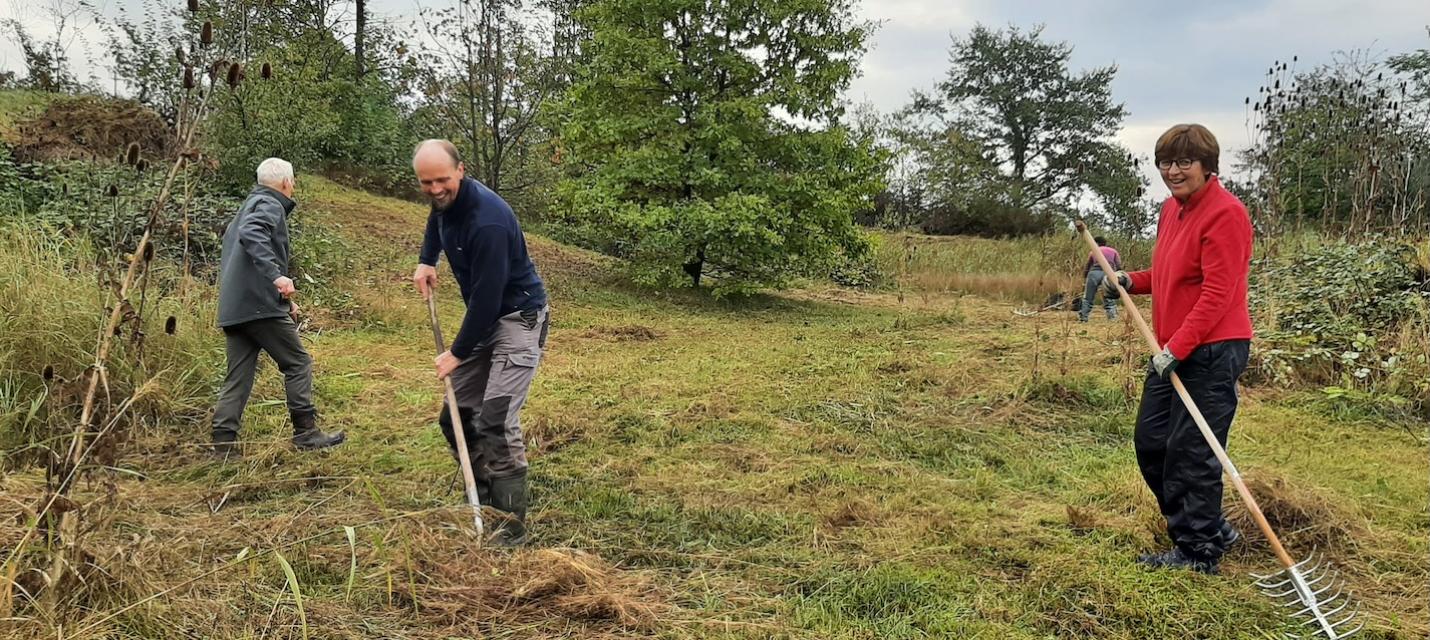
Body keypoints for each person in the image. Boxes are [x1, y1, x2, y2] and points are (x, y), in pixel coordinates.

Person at [1103, 124, 1254, 574]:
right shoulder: (1172, 210)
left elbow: (1218, 292)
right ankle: (1208, 525)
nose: (1173, 170)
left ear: (1208, 166)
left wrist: (1180, 347)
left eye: (1184, 162)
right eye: (1166, 162)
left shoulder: (1226, 214)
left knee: (1191, 453)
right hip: (1172, 349)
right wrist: (1133, 280)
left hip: (1212, 350)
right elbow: (1172, 272)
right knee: (1152, 444)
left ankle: (1198, 551)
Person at [411, 139, 549, 547]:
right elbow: (436, 219)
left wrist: (456, 354)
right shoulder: (445, 204)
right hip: (485, 319)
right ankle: (485, 495)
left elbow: (488, 299)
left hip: (518, 318)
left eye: (442, 180)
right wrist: (427, 258)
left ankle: (510, 530)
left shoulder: (487, 220)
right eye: (425, 182)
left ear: (461, 170)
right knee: (454, 417)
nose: (435, 189)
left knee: (495, 420)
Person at [212, 158, 345, 459]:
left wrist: (285, 299)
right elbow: (253, 233)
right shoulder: (268, 205)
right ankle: (306, 433)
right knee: (298, 363)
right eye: (294, 181)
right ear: (286, 183)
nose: (293, 186)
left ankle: (223, 444)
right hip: (260, 308)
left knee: (238, 376)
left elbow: (245, 255)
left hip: (236, 309)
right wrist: (277, 276)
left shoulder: (246, 207)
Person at [1079, 236, 1121, 322]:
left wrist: (1085, 276)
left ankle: (1084, 317)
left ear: (1096, 243)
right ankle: (1112, 317)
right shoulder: (1113, 251)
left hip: (1094, 274)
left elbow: (1088, 266)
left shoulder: (1093, 251)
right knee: (1109, 296)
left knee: (1088, 297)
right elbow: (1118, 265)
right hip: (1108, 273)